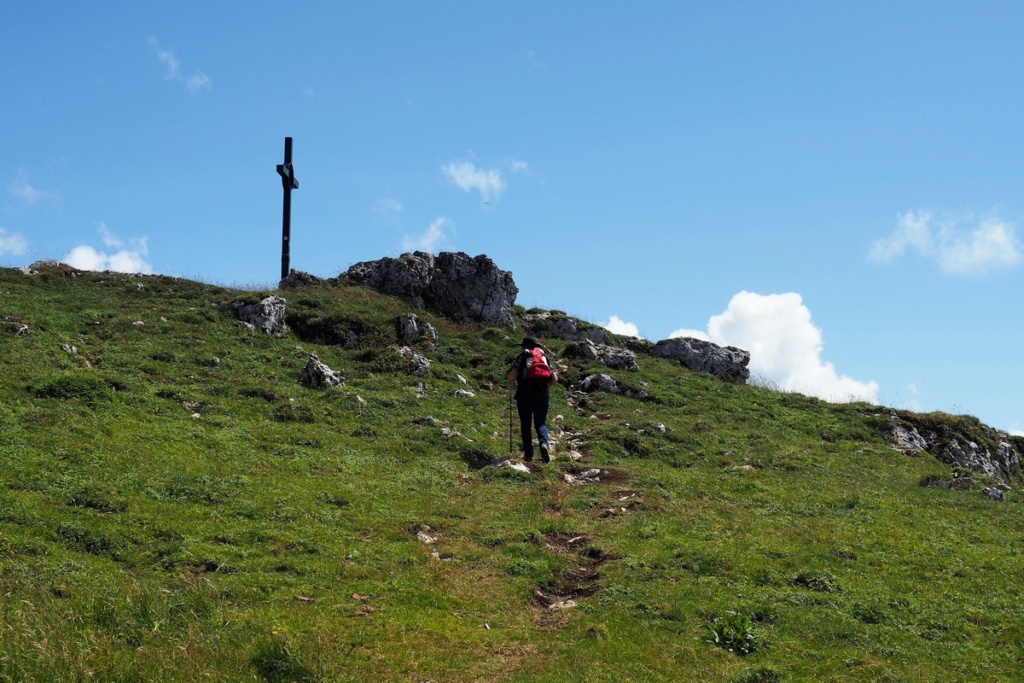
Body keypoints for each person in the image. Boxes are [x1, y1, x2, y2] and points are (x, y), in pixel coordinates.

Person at [507, 337, 558, 462]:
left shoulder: (522, 357)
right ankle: (543, 443)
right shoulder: (544, 358)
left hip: (524, 395)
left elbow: (512, 377)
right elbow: (554, 379)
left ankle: (528, 455)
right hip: (542, 394)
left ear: (525, 347)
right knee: (540, 422)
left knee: (526, 424)